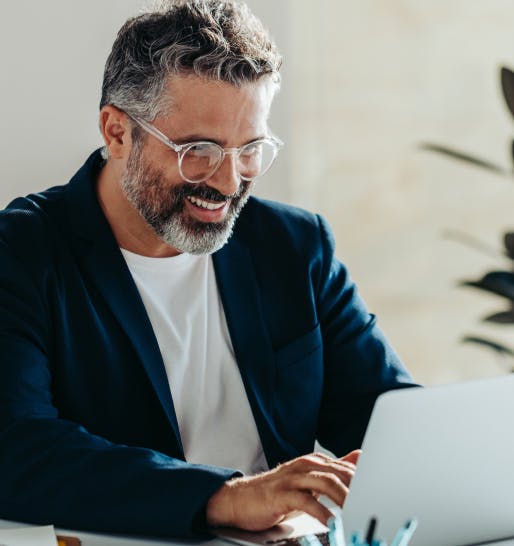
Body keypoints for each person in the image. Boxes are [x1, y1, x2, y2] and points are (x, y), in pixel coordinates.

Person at [0, 0, 415, 539]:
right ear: (117, 132)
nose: (226, 182)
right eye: (198, 149)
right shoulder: (23, 251)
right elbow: (15, 447)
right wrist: (226, 497)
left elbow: (391, 422)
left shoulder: (295, 245)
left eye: (250, 150)